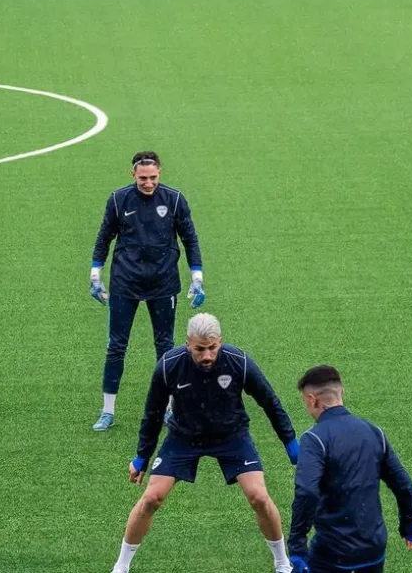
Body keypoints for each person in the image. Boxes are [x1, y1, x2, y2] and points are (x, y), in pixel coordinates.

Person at [108, 313, 300, 573]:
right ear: (188, 344)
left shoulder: (238, 361)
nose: (207, 355)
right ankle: (121, 566)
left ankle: (282, 563)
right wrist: (142, 456)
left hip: (231, 435)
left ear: (220, 341)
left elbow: (270, 402)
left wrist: (290, 443)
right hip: (184, 437)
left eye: (212, 348)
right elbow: (152, 413)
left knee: (259, 497)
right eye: (200, 349)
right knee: (152, 497)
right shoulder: (169, 366)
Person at [90, 150, 206, 431]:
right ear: (133, 175)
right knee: (116, 347)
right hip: (125, 282)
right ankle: (107, 411)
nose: (148, 183)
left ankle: (168, 409)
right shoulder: (119, 199)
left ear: (160, 173)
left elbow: (189, 238)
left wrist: (197, 277)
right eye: (143, 178)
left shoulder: (175, 199)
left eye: (153, 177)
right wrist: (95, 274)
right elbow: (105, 236)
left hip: (162, 283)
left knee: (165, 348)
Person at [287, 366, 412, 573]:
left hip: (333, 552)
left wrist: (297, 545)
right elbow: (404, 486)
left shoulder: (314, 439)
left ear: (313, 400)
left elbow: (307, 492)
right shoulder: (374, 433)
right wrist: (409, 526)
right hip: (374, 549)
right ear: (342, 392)